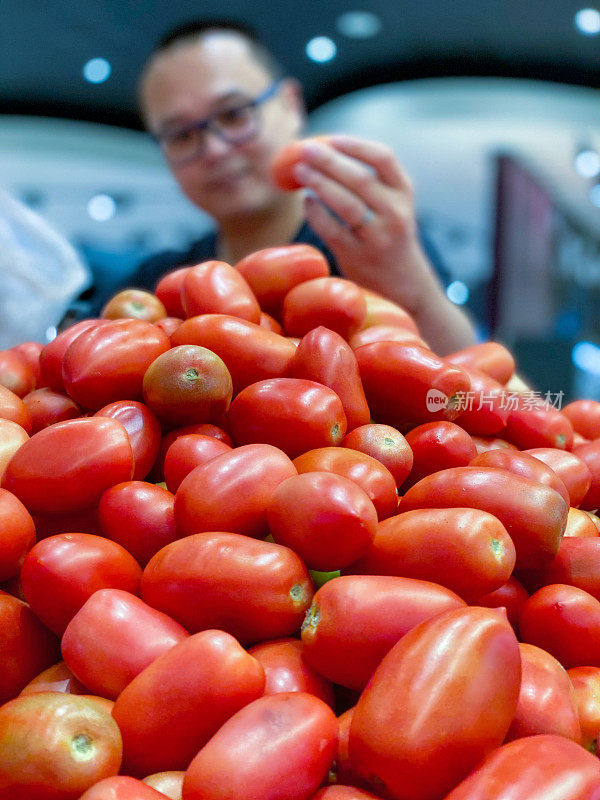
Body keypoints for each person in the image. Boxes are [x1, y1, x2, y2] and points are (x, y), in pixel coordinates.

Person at [130, 19, 477, 355]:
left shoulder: (373, 246)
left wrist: (413, 294)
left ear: (291, 104)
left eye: (233, 114)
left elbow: (476, 388)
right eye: (180, 135)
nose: (214, 150)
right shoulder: (157, 285)